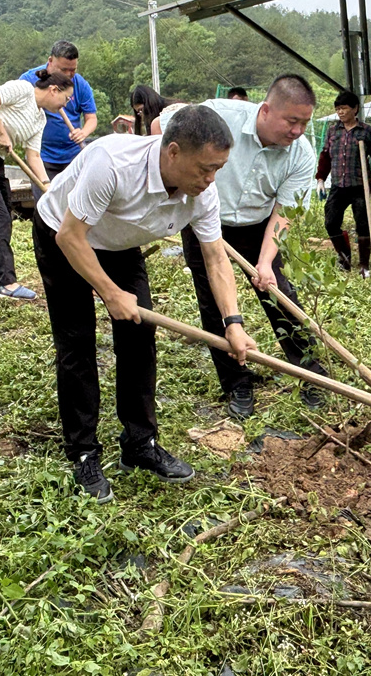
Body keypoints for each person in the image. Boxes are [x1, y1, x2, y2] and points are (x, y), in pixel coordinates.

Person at [32, 105, 258, 501]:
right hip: (64, 233)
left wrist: (233, 322)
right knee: (77, 344)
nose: (210, 179)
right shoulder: (113, 163)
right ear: (172, 152)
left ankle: (140, 444)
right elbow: (70, 237)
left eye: (218, 169)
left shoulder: (202, 190)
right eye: (204, 168)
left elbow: (215, 257)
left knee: (139, 335)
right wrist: (109, 291)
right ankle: (83, 452)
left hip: (119, 241)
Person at [161, 75, 327, 418]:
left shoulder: (301, 154)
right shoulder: (217, 116)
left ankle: (312, 375)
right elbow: (161, 124)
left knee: (280, 295)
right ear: (266, 110)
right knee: (214, 304)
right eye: (292, 121)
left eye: (305, 123)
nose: (297, 131)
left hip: (258, 226)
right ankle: (237, 383)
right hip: (205, 221)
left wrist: (265, 262)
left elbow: (285, 212)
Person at [0, 72, 73, 300]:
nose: (64, 105)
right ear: (54, 90)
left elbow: (34, 156)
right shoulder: (22, 90)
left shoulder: (41, 119)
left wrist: (47, 186)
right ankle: (6, 284)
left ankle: (2, 280)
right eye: (66, 99)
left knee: (4, 216)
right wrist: (1, 132)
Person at [316, 91, 371, 278]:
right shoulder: (333, 131)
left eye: (344, 108)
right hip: (338, 185)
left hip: (359, 186)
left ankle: (364, 265)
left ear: (354, 109)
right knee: (331, 222)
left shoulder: (366, 131)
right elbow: (325, 156)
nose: (340, 112)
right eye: (338, 109)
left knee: (363, 224)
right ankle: (344, 258)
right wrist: (320, 179)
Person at [20, 41, 98, 180]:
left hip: (74, 157)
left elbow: (91, 118)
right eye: (63, 70)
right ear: (50, 61)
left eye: (73, 70)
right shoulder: (28, 81)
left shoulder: (80, 84)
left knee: (74, 200)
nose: (69, 74)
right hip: (41, 156)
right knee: (46, 199)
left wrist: (83, 133)